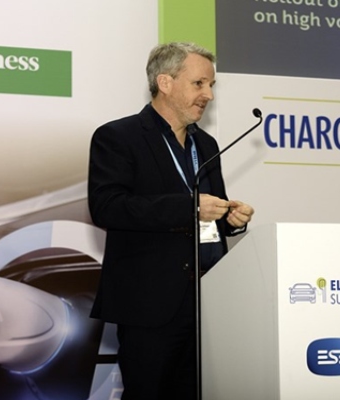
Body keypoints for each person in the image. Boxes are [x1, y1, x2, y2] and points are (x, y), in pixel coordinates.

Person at [87, 42, 255, 400]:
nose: (208, 94)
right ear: (165, 82)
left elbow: (208, 219)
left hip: (207, 302)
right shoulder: (118, 137)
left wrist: (231, 220)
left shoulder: (206, 145)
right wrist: (189, 208)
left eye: (211, 85)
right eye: (199, 84)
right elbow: (108, 207)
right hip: (150, 303)